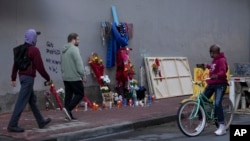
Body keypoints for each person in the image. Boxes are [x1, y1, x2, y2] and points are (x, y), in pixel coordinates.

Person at [8, 29, 52, 132]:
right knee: (21, 101)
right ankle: (12, 124)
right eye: (35, 36)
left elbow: (16, 65)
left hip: (23, 78)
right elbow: (40, 67)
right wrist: (48, 78)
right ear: (33, 38)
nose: (36, 38)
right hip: (28, 79)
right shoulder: (34, 50)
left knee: (32, 100)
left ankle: (41, 121)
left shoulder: (21, 49)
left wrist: (13, 78)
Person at [199, 44, 228, 136]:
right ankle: (203, 122)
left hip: (220, 84)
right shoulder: (215, 60)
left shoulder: (222, 60)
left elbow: (223, 71)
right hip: (212, 83)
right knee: (201, 100)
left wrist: (217, 75)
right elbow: (213, 68)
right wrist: (206, 65)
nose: (210, 55)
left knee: (217, 103)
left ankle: (222, 126)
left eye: (211, 53)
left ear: (215, 52)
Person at [61, 33, 86, 121]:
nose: (79, 41)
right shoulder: (74, 49)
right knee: (80, 93)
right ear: (73, 40)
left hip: (66, 77)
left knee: (68, 95)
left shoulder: (64, 50)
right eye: (78, 39)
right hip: (74, 76)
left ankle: (68, 116)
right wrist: (83, 74)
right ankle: (68, 109)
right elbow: (78, 63)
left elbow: (61, 63)